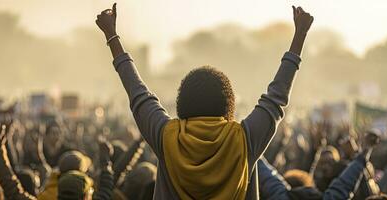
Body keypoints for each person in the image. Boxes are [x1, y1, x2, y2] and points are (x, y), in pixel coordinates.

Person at [95, 3, 313, 199]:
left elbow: (138, 93)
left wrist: (112, 36)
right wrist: (299, 36)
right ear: (228, 104)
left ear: (182, 103)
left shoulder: (167, 137)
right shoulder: (244, 140)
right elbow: (276, 98)